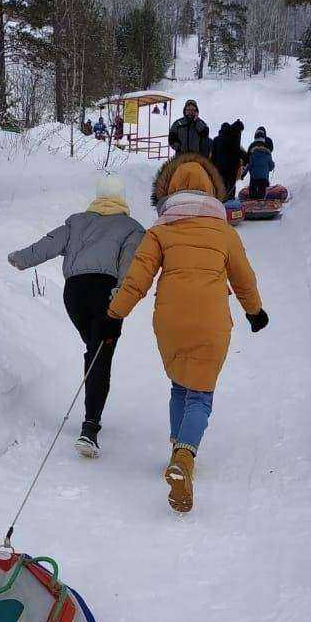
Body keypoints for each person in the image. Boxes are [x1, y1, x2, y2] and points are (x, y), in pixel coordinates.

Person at [102, 152, 268, 513]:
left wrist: (115, 314)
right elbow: (243, 278)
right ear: (212, 192)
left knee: (180, 384)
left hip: (170, 321)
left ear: (171, 191)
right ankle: (185, 458)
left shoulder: (161, 230)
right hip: (210, 319)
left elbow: (137, 277)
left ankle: (177, 448)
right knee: (201, 395)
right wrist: (254, 312)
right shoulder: (223, 232)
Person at [8, 172, 145, 457]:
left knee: (93, 347)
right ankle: (90, 428)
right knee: (100, 355)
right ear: (122, 198)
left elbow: (47, 244)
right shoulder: (131, 227)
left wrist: (21, 258)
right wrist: (120, 291)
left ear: (97, 196)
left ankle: (91, 412)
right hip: (105, 293)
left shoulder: (77, 221)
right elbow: (130, 262)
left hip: (75, 294)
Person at [209, 119, 248, 200]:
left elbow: (213, 156)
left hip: (218, 169)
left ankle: (219, 204)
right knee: (230, 188)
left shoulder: (216, 139)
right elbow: (239, 153)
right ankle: (230, 206)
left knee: (219, 187)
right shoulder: (234, 137)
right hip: (232, 169)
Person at [243, 133, 275, 200]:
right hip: (264, 177)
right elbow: (271, 166)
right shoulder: (268, 155)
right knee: (262, 189)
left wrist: (243, 173)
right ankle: (261, 201)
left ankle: (252, 200)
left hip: (254, 177)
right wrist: (270, 167)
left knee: (252, 188)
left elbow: (249, 165)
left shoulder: (253, 155)